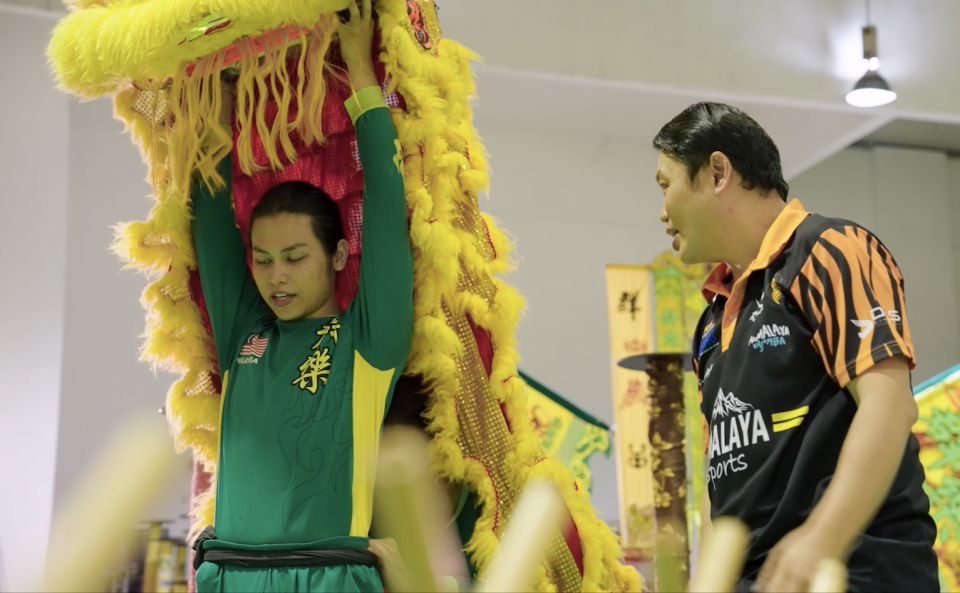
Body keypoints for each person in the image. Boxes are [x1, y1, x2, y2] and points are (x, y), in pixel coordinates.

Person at [653, 102, 938, 592]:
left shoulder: (829, 249)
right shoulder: (710, 323)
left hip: (855, 573)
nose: (662, 212)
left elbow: (889, 406)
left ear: (718, 172)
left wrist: (820, 541)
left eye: (665, 185)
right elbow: (724, 483)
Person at [190, 1, 414, 590]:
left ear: (338, 257)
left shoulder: (369, 341)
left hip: (328, 578)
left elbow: (388, 208)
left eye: (294, 258)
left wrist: (361, 71)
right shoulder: (246, 331)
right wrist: (217, 95)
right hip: (229, 575)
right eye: (262, 260)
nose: (275, 277)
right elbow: (210, 213)